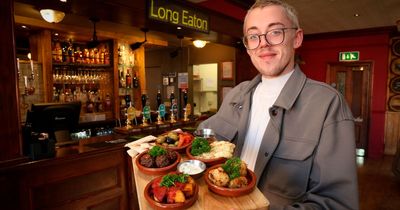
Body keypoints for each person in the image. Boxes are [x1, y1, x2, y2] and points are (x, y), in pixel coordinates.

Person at [197, 0, 359, 209]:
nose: (263, 43)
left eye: (275, 32)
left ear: (297, 38)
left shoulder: (328, 104)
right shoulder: (237, 93)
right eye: (254, 36)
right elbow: (202, 138)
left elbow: (337, 204)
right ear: (247, 47)